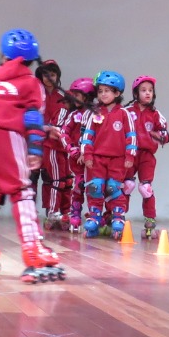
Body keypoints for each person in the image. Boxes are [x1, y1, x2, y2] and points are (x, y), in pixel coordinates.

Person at [0, 29, 63, 282]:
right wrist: (35, 150)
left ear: (4, 55)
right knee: (22, 190)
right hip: (2, 134)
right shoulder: (31, 83)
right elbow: (31, 118)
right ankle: (33, 249)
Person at [78, 71, 136, 238]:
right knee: (95, 187)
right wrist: (87, 155)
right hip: (97, 159)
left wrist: (130, 156)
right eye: (100, 91)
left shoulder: (124, 114)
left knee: (113, 188)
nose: (103, 94)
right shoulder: (95, 113)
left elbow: (131, 135)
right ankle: (94, 218)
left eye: (107, 91)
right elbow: (88, 136)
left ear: (117, 93)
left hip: (118, 160)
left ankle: (117, 216)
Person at [125, 75, 169, 240]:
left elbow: (166, 134)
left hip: (147, 155)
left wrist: (160, 136)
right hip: (129, 154)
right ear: (136, 93)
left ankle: (150, 220)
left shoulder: (156, 114)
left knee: (145, 188)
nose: (147, 93)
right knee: (126, 185)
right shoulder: (127, 112)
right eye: (143, 90)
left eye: (150, 90)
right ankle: (117, 217)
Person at [34, 60, 73, 229]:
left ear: (57, 76)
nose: (49, 78)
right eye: (45, 74)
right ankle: (30, 213)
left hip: (54, 145)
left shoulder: (63, 97)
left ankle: (52, 212)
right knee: (32, 179)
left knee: (52, 179)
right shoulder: (35, 95)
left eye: (52, 74)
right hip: (35, 142)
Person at [61, 77, 95, 233]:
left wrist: (87, 152)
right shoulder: (74, 114)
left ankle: (96, 215)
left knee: (95, 187)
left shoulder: (96, 113)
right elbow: (64, 133)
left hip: (93, 159)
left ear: (87, 96)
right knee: (79, 186)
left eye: (77, 95)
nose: (74, 98)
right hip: (77, 160)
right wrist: (72, 150)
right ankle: (75, 213)